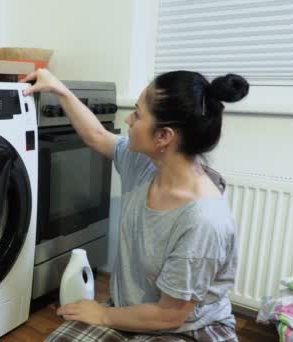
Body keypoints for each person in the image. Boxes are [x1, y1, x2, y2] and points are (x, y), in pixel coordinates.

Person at [20, 69, 249, 341]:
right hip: (133, 311)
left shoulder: (204, 221)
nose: (128, 119)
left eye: (138, 114)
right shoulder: (144, 163)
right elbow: (96, 135)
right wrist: (60, 91)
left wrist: (103, 315)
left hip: (190, 329)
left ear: (163, 136)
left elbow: (171, 315)